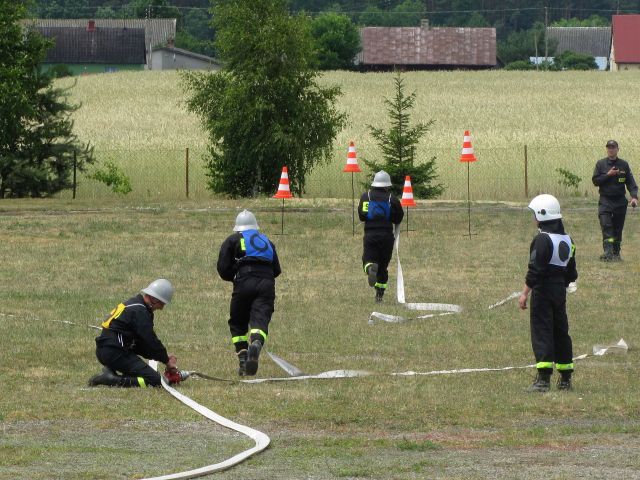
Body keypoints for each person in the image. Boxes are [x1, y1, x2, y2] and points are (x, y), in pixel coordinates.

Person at [519, 194, 577, 392]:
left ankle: (543, 380)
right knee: (561, 332)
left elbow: (535, 270)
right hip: (560, 292)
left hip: (543, 292)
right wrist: (560, 285)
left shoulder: (542, 239)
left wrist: (524, 294)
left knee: (542, 331)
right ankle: (566, 379)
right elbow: (572, 273)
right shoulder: (568, 240)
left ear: (541, 215)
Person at [217, 210, 281, 376]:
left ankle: (244, 360)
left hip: (244, 281)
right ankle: (256, 344)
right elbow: (277, 269)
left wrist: (235, 277)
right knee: (260, 319)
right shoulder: (267, 241)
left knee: (237, 322)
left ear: (238, 227)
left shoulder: (233, 240)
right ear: (255, 226)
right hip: (267, 283)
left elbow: (223, 268)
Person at [88, 279, 181, 388]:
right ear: (154, 299)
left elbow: (141, 345)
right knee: (156, 381)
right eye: (162, 303)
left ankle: (111, 372)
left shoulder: (136, 305)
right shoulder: (139, 311)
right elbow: (150, 341)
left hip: (108, 350)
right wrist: (166, 360)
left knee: (147, 375)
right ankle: (111, 379)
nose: (161, 308)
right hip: (116, 353)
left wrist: (163, 357)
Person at [357, 170, 404, 302]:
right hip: (386, 237)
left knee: (368, 260)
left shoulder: (366, 197)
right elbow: (398, 218)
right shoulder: (392, 199)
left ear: (374, 183)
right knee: (383, 267)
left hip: (370, 235)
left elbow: (362, 216)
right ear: (387, 185)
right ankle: (379, 295)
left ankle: (369, 268)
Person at [592, 139, 638, 261]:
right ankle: (608, 252)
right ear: (606, 149)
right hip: (605, 200)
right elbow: (595, 181)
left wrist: (634, 197)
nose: (611, 150)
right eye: (609, 147)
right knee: (606, 225)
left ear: (617, 149)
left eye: (613, 147)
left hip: (620, 201)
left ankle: (616, 254)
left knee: (618, 228)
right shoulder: (600, 164)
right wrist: (608, 175)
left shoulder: (624, 165)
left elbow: (631, 182)